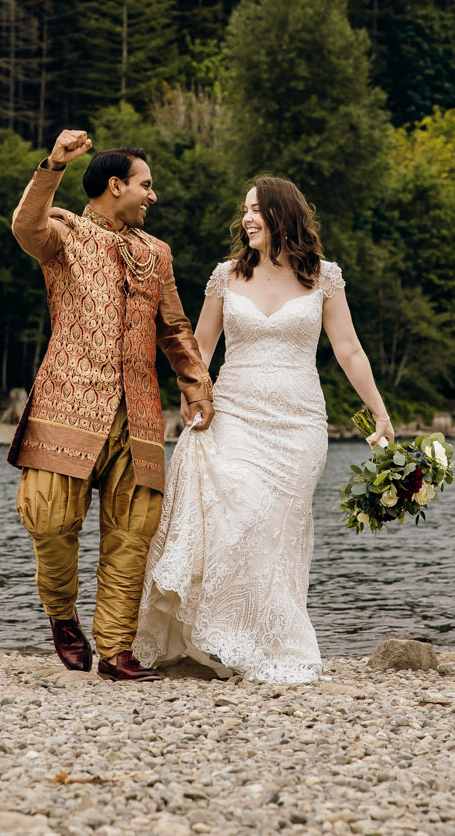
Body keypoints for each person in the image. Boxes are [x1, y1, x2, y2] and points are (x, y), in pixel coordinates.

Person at [134, 176, 395, 683]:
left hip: (298, 426)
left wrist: (379, 413)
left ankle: (268, 641)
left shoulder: (324, 278)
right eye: (245, 210)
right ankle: (215, 639)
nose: (247, 218)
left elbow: (349, 351)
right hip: (233, 414)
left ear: (283, 215)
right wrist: (194, 399)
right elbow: (201, 348)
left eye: (257, 210)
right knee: (237, 518)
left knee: (275, 531)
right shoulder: (225, 276)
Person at [8, 129, 213, 682]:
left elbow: (174, 327)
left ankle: (116, 651)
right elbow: (25, 226)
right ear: (116, 185)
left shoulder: (157, 253)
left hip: (139, 411)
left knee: (133, 533)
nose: (153, 195)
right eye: (146, 185)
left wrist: (196, 387)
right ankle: (62, 617)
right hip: (68, 402)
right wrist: (53, 164)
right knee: (49, 519)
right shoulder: (65, 235)